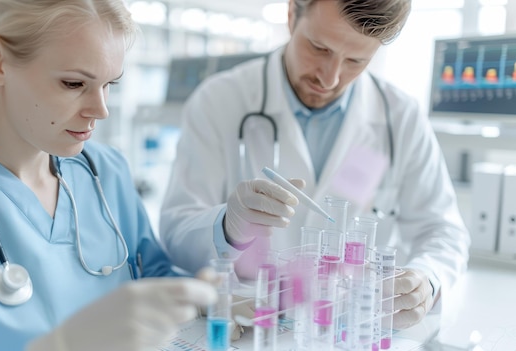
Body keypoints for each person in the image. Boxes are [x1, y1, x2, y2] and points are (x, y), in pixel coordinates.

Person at [0, 1, 217, 350]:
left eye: (110, 84)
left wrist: (207, 295)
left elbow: (154, 279)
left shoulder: (106, 172)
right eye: (74, 83)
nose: (101, 110)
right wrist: (61, 345)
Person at [160, 0, 471, 332]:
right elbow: (176, 233)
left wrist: (426, 279)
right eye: (319, 48)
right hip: (253, 325)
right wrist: (227, 227)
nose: (330, 78)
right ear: (292, 14)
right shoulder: (219, 101)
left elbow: (443, 231)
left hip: (352, 327)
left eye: (355, 60)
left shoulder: (400, 117)